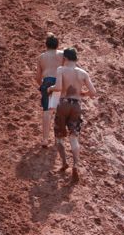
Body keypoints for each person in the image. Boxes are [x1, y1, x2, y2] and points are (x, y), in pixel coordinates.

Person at [49, 48, 96, 182]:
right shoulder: (83, 73)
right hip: (76, 105)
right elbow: (93, 92)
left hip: (63, 103)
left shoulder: (61, 70)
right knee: (74, 137)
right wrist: (83, 94)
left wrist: (50, 89)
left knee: (59, 137)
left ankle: (64, 163)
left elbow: (58, 87)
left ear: (65, 58)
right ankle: (76, 165)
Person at [35, 35, 64, 147]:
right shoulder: (62, 54)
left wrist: (42, 86)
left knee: (47, 112)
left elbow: (37, 77)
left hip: (47, 81)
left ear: (46, 45)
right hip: (60, 82)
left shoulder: (41, 57)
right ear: (57, 45)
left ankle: (45, 140)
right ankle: (59, 139)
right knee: (60, 111)